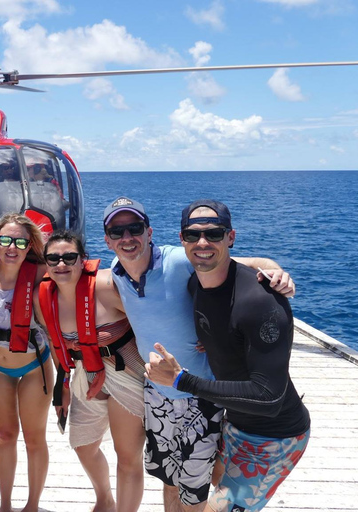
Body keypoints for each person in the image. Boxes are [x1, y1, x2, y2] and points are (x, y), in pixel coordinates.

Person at [102, 196, 295, 512]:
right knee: (169, 479)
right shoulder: (116, 273)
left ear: (149, 232)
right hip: (157, 394)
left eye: (134, 228)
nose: (127, 238)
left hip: (200, 396)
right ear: (107, 240)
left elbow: (247, 264)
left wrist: (278, 273)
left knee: (195, 492)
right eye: (117, 231)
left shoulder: (179, 260)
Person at [35, 230, 146, 512]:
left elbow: (151, 317)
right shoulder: (43, 298)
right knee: (83, 445)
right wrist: (62, 387)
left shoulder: (107, 286)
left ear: (83, 260)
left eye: (69, 257)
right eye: (54, 258)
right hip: (84, 374)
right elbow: (56, 344)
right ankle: (105, 499)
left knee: (127, 456)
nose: (61, 264)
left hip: (127, 372)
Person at [0, 213, 53, 512]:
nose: (12, 247)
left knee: (35, 438)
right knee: (5, 435)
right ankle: (5, 505)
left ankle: (32, 506)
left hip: (35, 366)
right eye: (5, 239)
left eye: (20, 241)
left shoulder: (42, 272)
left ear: (29, 244)